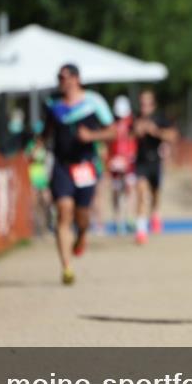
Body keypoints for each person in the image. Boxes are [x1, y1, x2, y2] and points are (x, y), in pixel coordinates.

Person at [41, 64, 117, 284]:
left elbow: (113, 131)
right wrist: (36, 145)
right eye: (59, 77)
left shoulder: (94, 102)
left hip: (85, 166)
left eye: (65, 77)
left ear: (77, 79)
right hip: (61, 166)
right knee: (64, 211)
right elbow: (46, 132)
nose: (62, 81)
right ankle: (66, 268)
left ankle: (82, 235)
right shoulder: (53, 105)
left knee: (82, 216)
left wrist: (92, 136)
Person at [132, 90, 178, 244]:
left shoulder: (160, 119)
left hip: (155, 161)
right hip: (141, 162)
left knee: (155, 194)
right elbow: (128, 135)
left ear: (153, 104)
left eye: (147, 103)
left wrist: (155, 131)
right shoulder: (136, 118)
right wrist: (136, 131)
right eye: (142, 103)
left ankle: (155, 214)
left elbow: (172, 136)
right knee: (141, 193)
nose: (144, 106)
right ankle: (141, 230)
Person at [107, 95, 138, 235]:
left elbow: (134, 140)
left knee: (130, 189)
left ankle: (130, 218)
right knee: (116, 191)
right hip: (114, 161)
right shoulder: (111, 123)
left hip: (129, 161)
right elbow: (108, 143)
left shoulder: (132, 122)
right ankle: (118, 220)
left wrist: (131, 156)